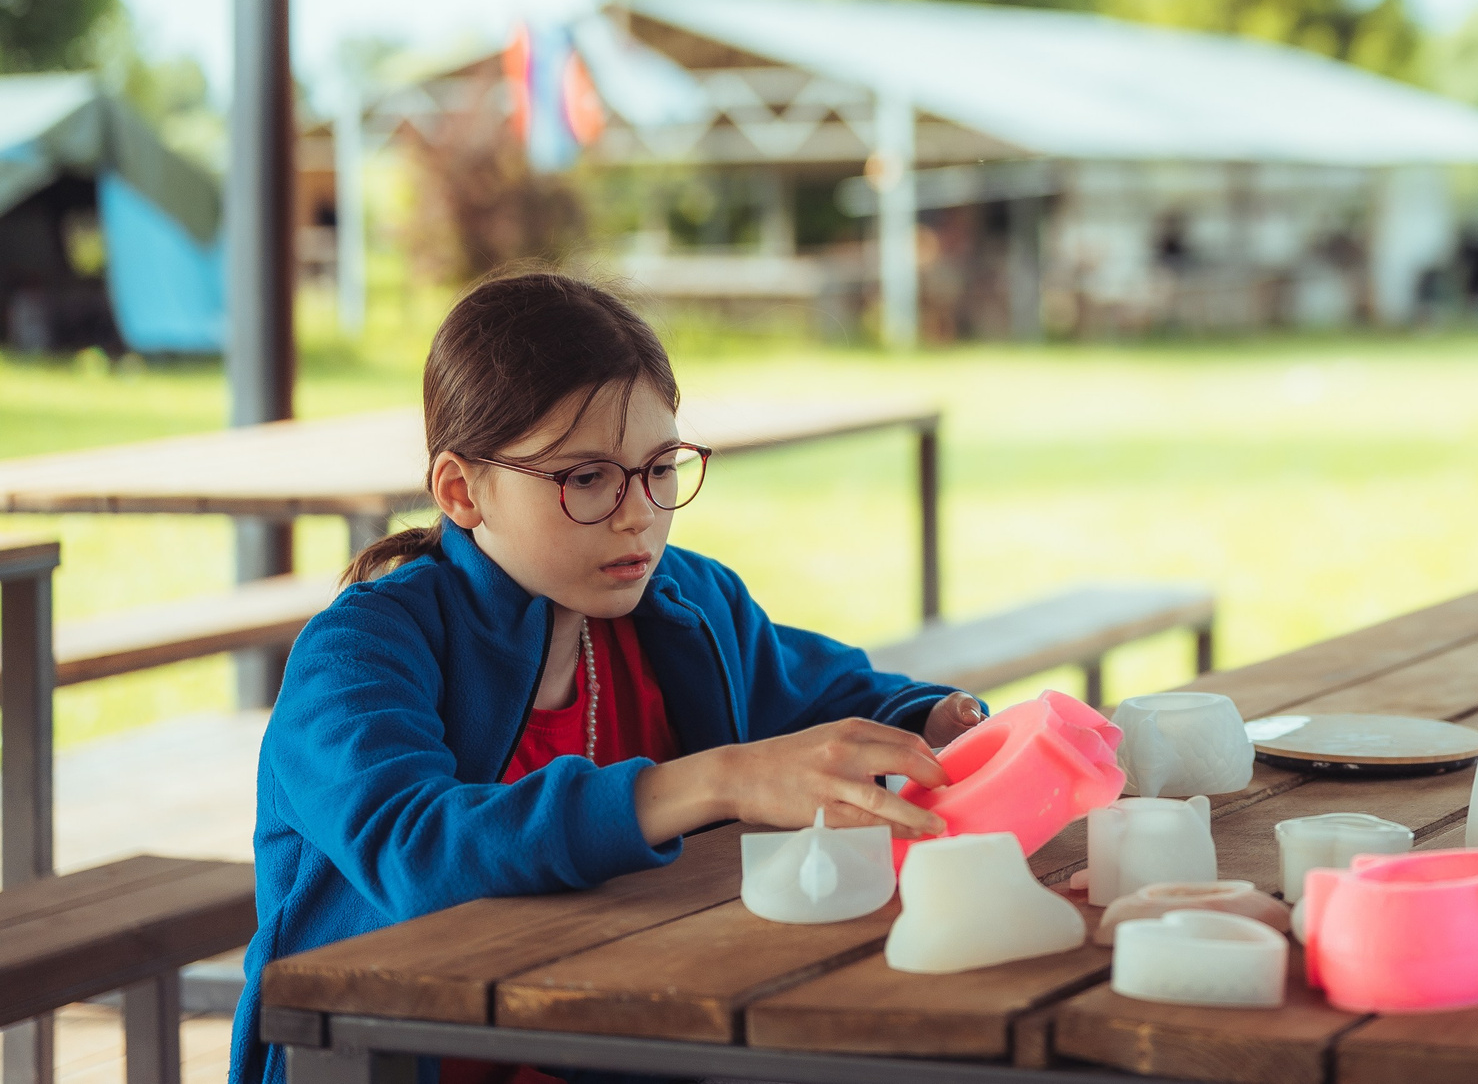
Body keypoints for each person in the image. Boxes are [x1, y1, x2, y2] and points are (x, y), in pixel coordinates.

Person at [229, 271, 984, 1084]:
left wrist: (934, 719)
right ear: (461, 490)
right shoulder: (360, 650)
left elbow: (824, 697)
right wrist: (715, 780)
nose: (638, 515)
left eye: (661, 468)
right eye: (585, 478)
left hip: (624, 1039)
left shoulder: (687, 603)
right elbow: (419, 850)